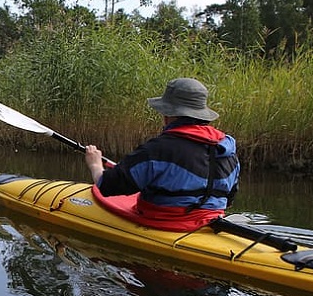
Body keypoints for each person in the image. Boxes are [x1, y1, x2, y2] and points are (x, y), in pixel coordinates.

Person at [85, 77, 240, 230]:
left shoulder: (158, 150)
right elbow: (229, 198)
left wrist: (95, 165)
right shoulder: (227, 148)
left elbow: (107, 186)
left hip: (165, 222)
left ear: (168, 115)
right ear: (202, 115)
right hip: (211, 223)